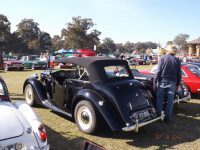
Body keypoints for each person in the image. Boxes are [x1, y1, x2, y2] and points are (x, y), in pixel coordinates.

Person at [153, 45, 181, 122]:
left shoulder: (162, 58)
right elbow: (179, 74)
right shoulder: (177, 60)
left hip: (162, 81)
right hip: (172, 82)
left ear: (167, 50)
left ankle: (159, 116)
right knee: (170, 100)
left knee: (160, 99)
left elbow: (158, 71)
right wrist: (178, 84)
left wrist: (155, 81)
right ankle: (167, 118)